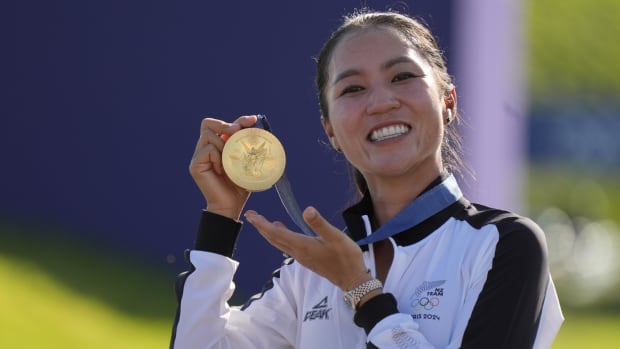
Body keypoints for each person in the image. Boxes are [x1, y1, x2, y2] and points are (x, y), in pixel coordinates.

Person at [169, 9, 563, 349]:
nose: (380, 102)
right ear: (331, 132)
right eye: (353, 88)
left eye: (402, 76)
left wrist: (362, 291)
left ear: (448, 102)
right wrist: (221, 219)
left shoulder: (503, 244)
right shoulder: (309, 272)